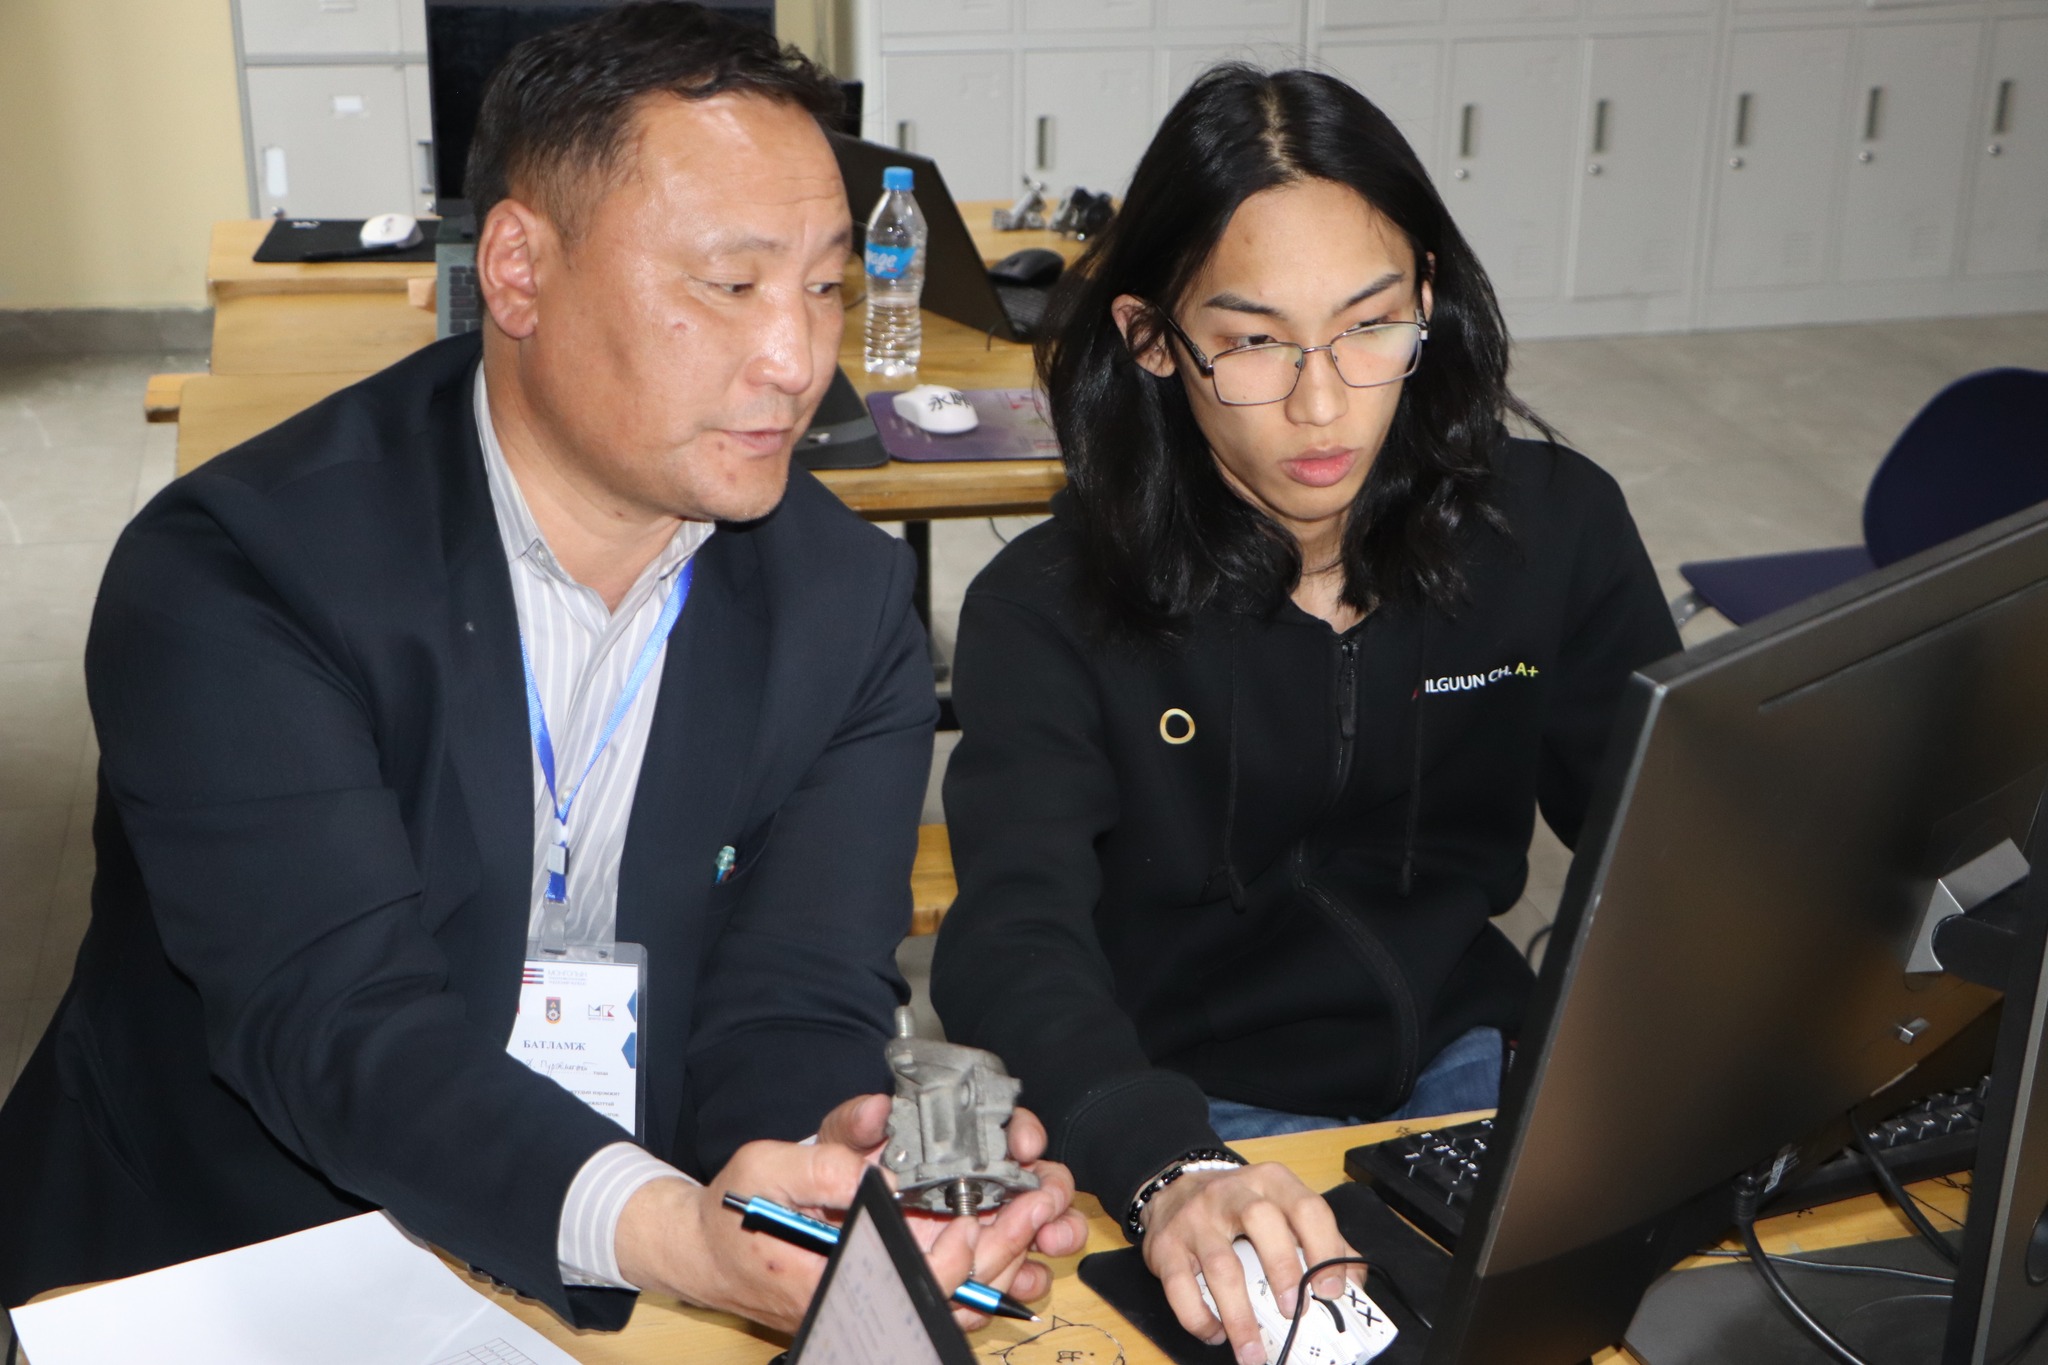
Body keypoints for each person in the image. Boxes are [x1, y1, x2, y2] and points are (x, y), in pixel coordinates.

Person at [0, 2, 1082, 1338]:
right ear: (518, 271)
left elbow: (790, 992)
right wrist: (673, 1229)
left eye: (824, 286)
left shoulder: (842, 605)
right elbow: (336, 1024)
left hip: (620, 1251)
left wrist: (812, 1184)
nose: (798, 360)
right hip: (235, 1254)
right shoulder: (239, 575)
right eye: (729, 285)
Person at [930, 64, 1682, 1365]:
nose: (1323, 404)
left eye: (1369, 326)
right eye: (1254, 341)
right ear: (1152, 338)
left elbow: (1668, 838)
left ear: (1427, 300)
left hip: (1468, 1075)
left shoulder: (1549, 529)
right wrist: (1165, 1164)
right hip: (1187, 1115)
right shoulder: (1048, 609)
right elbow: (1009, 938)